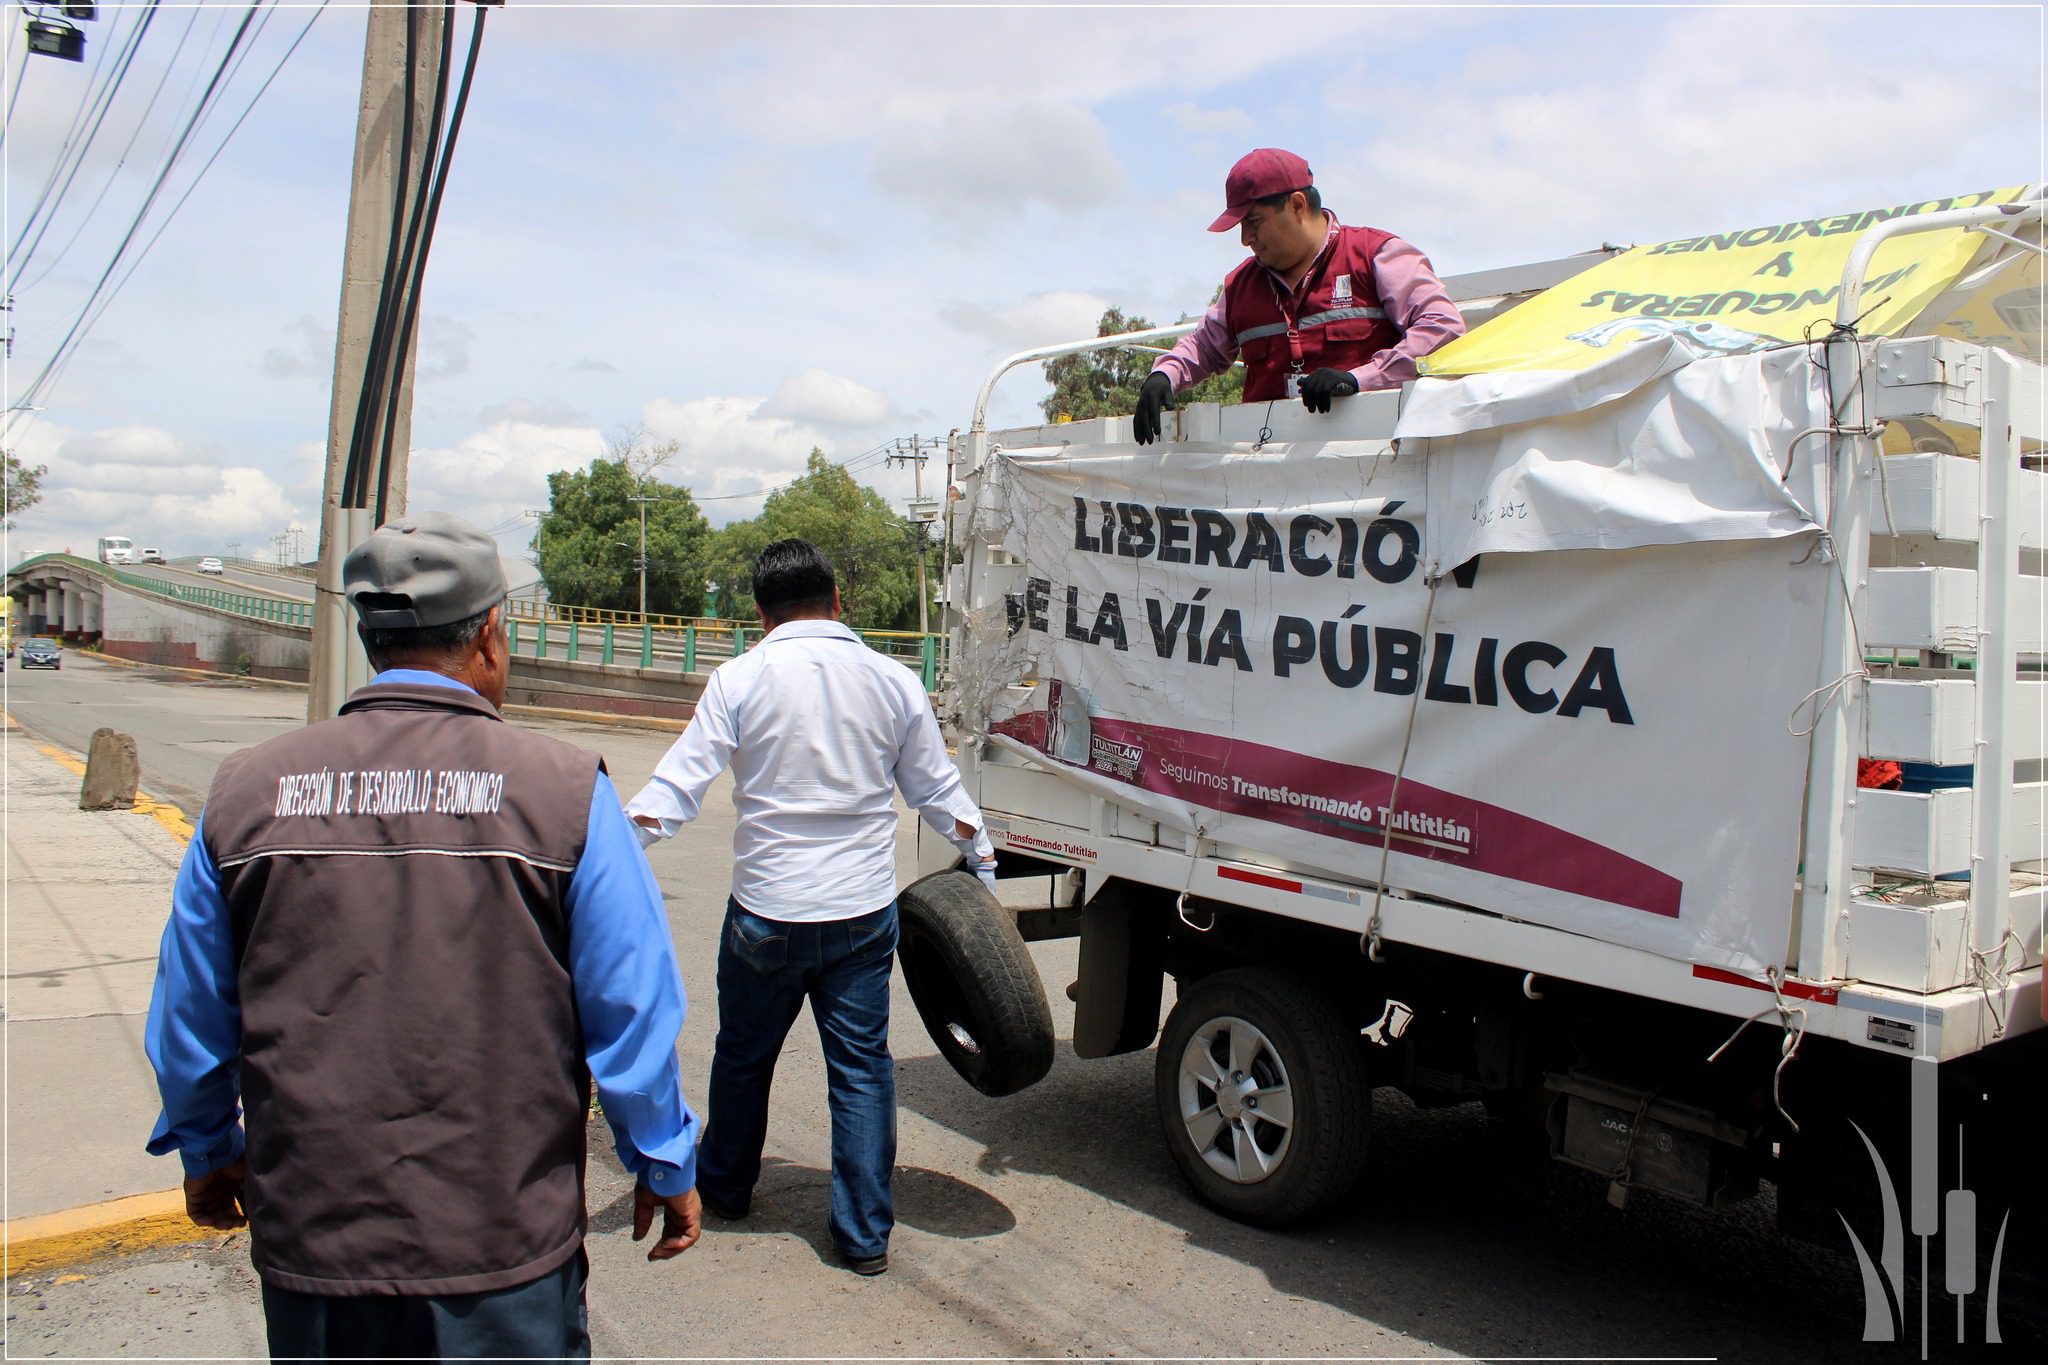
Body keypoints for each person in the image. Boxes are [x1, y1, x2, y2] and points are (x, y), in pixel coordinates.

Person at [144, 511, 702, 1361]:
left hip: (315, 1247)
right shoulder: (563, 790)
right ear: (487, 635)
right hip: (500, 1248)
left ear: (371, 637)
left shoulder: (246, 792)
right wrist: (663, 1158)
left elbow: (191, 1014)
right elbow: (629, 1009)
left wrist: (209, 1146)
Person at [625, 538, 995, 1277]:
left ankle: (726, 1186)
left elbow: (673, 794)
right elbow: (935, 790)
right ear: (835, 601)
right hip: (859, 916)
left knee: (742, 1053)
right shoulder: (892, 681)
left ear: (762, 614)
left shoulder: (739, 677)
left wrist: (604, 853)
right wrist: (982, 859)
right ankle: (863, 1235)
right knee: (860, 1068)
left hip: (765, 910)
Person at [1134, 147, 1466, 442]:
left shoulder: (1378, 255)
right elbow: (1203, 346)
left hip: (1373, 469)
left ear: (1296, 205)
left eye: (1254, 221)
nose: (1245, 238)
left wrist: (1360, 379)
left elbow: (1443, 330)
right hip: (1271, 477)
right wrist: (1164, 374)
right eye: (1240, 226)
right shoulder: (1240, 286)